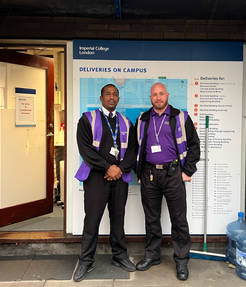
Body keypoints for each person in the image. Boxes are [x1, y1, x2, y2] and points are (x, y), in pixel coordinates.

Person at [134, 82, 200, 281]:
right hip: (149, 175)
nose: (158, 97)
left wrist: (187, 171)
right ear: (150, 97)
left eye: (161, 94)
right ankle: (152, 256)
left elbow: (194, 146)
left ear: (167, 95)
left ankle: (181, 261)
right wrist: (139, 171)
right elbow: (137, 147)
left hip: (173, 174)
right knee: (151, 218)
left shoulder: (180, 117)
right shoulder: (143, 119)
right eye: (154, 94)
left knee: (179, 220)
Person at [73, 84, 137, 282]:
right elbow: (85, 149)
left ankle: (120, 256)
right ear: (101, 98)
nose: (111, 97)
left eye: (115, 94)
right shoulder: (87, 119)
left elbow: (133, 150)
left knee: (118, 218)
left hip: (119, 178)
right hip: (95, 178)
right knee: (92, 220)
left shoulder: (126, 123)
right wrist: (106, 167)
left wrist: (119, 169)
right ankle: (85, 261)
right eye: (108, 94)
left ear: (118, 98)